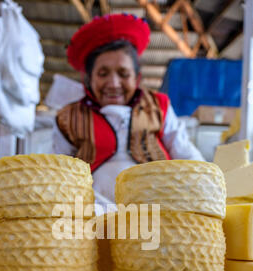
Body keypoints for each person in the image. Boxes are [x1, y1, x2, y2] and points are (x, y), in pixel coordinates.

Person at [53, 13, 204, 205]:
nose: (113, 83)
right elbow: (59, 173)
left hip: (157, 211)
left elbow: (185, 153)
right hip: (93, 216)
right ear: (89, 79)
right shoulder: (68, 118)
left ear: (137, 77)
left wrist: (204, 184)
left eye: (123, 74)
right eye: (102, 73)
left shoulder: (158, 106)